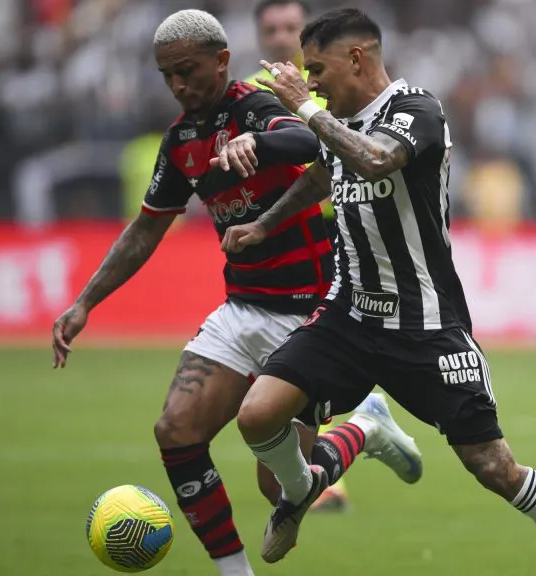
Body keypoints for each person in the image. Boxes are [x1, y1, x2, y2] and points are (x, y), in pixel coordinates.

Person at [222, 9, 536, 575]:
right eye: (306, 73)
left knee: (494, 466)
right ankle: (303, 492)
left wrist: (301, 105)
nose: (312, 81)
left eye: (316, 68)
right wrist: (264, 226)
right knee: (257, 418)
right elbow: (324, 174)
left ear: (357, 58)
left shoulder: (416, 109)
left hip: (423, 325)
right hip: (348, 314)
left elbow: (372, 161)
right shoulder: (336, 123)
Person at [50, 10, 422, 576]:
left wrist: (261, 142)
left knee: (281, 488)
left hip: (312, 316)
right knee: (175, 431)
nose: (178, 85)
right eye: (167, 75)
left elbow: (315, 145)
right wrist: (84, 303)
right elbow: (146, 228)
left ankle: (365, 426)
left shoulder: (256, 105)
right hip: (243, 306)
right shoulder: (181, 141)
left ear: (221, 61)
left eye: (188, 70)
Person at [245, 0, 348, 512]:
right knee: (278, 360)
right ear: (259, 35)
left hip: (333, 236)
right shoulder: (244, 95)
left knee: (305, 356)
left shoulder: (330, 88)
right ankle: (358, 429)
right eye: (273, 28)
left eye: (292, 27)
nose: (283, 37)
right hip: (275, 239)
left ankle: (322, 470)